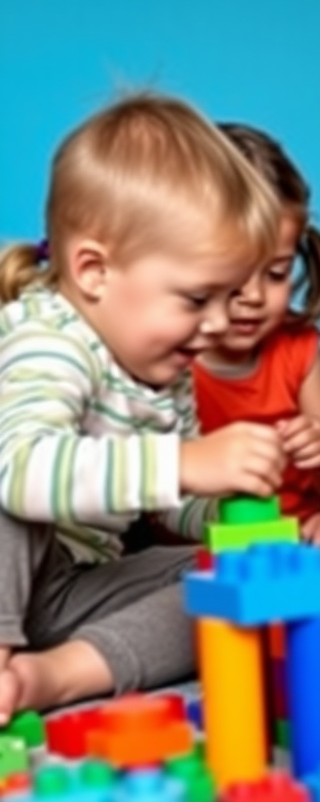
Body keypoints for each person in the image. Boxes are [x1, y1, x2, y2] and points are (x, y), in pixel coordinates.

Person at [0, 94, 286, 721]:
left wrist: (229, 505)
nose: (218, 323)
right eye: (196, 298)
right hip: (14, 568)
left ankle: (60, 674)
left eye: (229, 296)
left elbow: (167, 499)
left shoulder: (163, 362)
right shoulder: (47, 340)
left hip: (73, 585)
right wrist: (186, 461)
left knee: (226, 583)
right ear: (95, 271)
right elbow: (23, 472)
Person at [192, 124, 320, 545]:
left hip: (299, 543)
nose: (252, 295)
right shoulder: (168, 357)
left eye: (276, 273)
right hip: (197, 550)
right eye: (233, 274)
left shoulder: (298, 350)